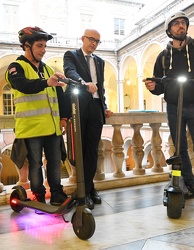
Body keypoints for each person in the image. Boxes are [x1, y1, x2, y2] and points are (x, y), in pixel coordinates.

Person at [143, 11, 194, 215]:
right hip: (173, 107)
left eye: (183, 23)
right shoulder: (163, 57)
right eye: (176, 24)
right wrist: (152, 86)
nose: (181, 26)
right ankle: (190, 186)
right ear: (169, 30)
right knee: (180, 151)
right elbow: (159, 86)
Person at [6, 26, 69, 209]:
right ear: (27, 46)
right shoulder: (16, 67)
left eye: (44, 46)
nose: (43, 50)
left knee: (55, 163)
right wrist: (45, 83)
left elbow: (60, 95)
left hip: (52, 127)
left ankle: (56, 193)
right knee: (35, 164)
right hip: (32, 127)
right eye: (40, 46)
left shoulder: (48, 69)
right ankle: (38, 195)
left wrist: (64, 117)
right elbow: (23, 85)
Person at [63, 29, 113, 210]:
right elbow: (70, 72)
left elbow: (101, 87)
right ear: (82, 38)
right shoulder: (71, 55)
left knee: (92, 150)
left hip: (96, 108)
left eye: (97, 41)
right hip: (79, 108)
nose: (94, 43)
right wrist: (84, 84)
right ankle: (82, 190)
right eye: (91, 39)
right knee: (80, 151)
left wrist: (104, 106)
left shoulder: (99, 61)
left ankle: (89, 188)